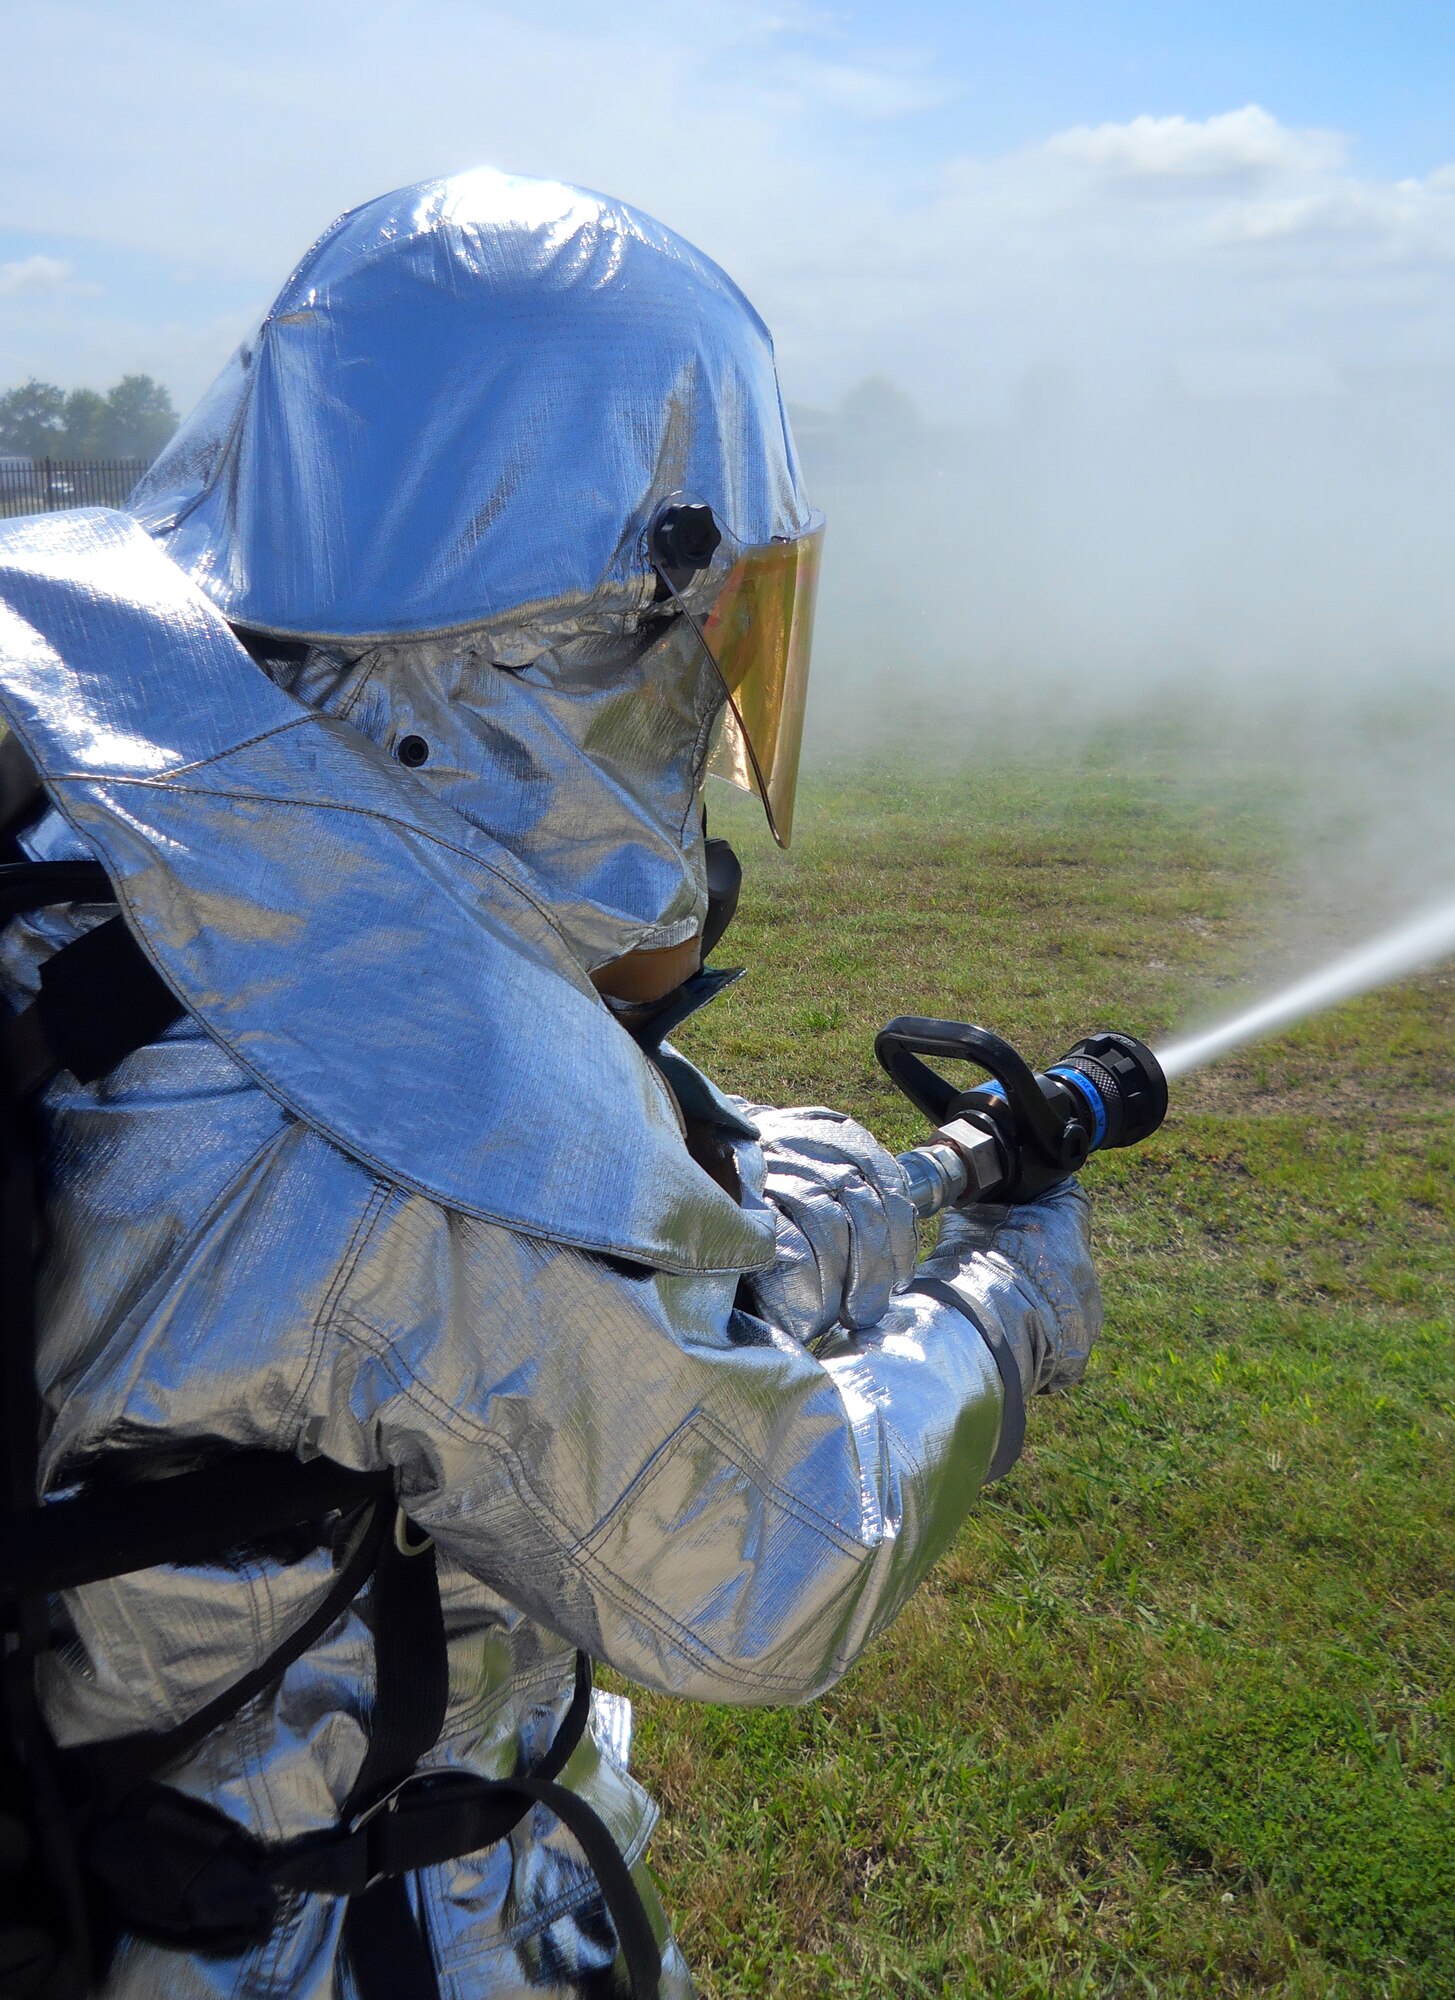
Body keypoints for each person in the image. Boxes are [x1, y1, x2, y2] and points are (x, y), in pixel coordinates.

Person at [0, 170, 1100, 1998]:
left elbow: (582, 1237)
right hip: (325, 1939)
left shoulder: (138, 862)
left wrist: (858, 1190)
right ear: (539, 647)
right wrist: (1006, 1316)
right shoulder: (384, 1126)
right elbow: (768, 1564)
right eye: (699, 637)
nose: (707, 716)